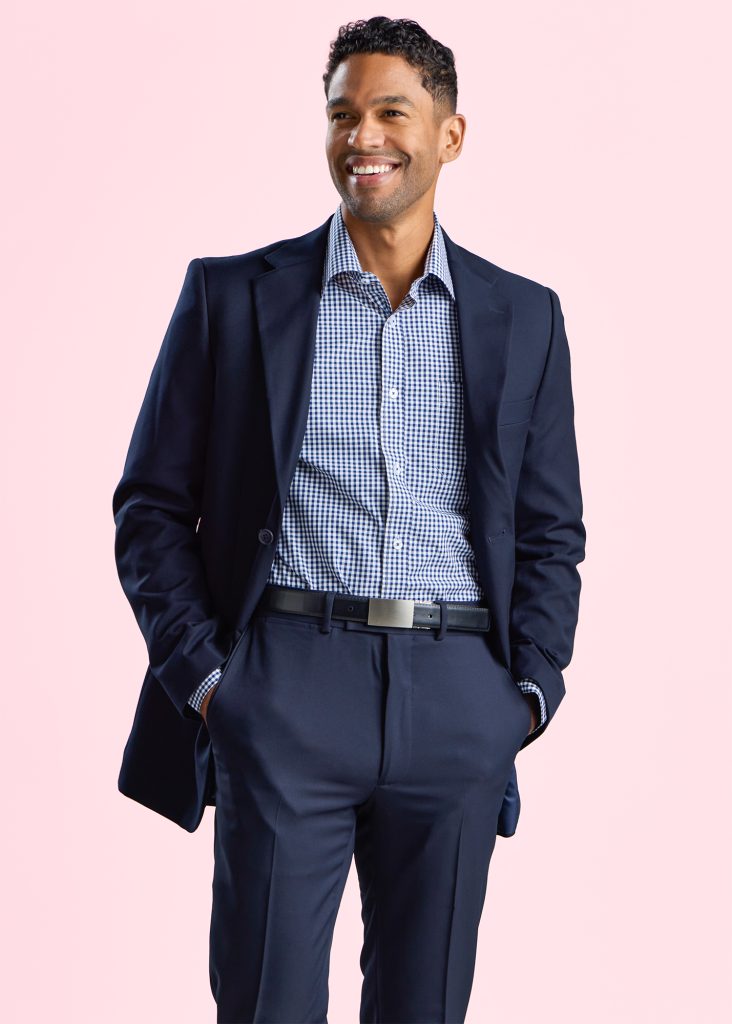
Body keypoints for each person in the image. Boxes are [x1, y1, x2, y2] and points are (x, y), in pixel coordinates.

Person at [113, 15, 586, 1023]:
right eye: (342, 114)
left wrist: (528, 695)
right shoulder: (234, 296)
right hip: (284, 685)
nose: (362, 135)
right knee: (266, 1003)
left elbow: (551, 531)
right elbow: (150, 506)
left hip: (459, 695)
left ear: (450, 135)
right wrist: (208, 682)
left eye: (390, 111)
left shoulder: (525, 316)